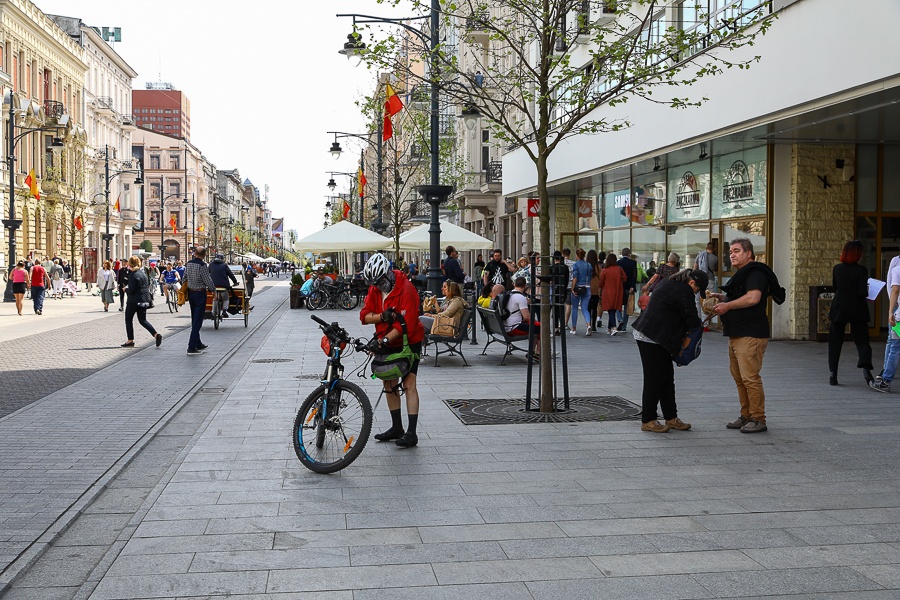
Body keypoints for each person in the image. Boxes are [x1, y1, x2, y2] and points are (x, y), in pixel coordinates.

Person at [711, 238, 777, 434]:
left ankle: (759, 418)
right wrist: (724, 298)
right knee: (739, 378)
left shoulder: (755, 272)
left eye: (737, 250)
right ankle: (746, 415)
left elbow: (753, 298)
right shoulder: (743, 274)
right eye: (731, 251)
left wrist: (728, 305)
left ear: (749, 253)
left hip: (751, 334)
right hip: (737, 333)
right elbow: (743, 296)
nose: (732, 254)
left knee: (750, 378)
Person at [359, 253, 424, 448]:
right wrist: (382, 317)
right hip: (386, 340)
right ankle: (397, 427)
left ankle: (411, 432)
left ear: (388, 274)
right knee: (388, 382)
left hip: (409, 340)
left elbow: (408, 325)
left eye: (380, 282)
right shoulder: (375, 289)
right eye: (374, 284)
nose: (378, 287)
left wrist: (384, 339)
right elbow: (364, 316)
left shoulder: (406, 288)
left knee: (409, 383)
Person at [632, 268, 708, 432]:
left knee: (666, 378)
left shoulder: (671, 281)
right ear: (692, 283)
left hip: (657, 336)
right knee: (654, 379)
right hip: (651, 337)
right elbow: (693, 321)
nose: (696, 293)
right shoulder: (683, 291)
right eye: (697, 289)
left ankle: (671, 417)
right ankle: (648, 420)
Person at [827, 239, 874, 386]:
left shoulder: (837, 268)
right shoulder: (861, 270)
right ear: (857, 255)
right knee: (862, 341)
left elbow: (835, 287)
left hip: (839, 308)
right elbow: (862, 292)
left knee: (835, 342)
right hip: (857, 309)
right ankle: (866, 369)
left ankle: (833, 374)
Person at [872, 255, 900, 393]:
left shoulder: (897, 269)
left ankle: (885, 381)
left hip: (899, 316)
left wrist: (890, 312)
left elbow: (894, 290)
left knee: (895, 347)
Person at [121, 256, 162, 349]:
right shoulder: (143, 273)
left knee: (128, 319)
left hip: (133, 301)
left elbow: (132, 289)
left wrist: (125, 289)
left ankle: (130, 340)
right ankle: (155, 334)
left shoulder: (133, 274)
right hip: (143, 300)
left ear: (129, 264)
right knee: (143, 320)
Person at [182, 246, 216, 355]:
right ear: (204, 255)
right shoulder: (202, 265)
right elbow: (207, 279)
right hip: (200, 293)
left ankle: (198, 343)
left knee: (194, 317)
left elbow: (184, 277)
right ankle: (191, 347)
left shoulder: (189, 264)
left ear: (195, 253)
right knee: (198, 319)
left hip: (191, 293)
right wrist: (213, 290)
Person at [597, 253, 626, 335]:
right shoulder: (619, 269)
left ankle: (614, 327)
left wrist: (599, 290)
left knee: (610, 310)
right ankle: (609, 328)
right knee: (613, 309)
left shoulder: (605, 270)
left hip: (608, 292)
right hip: (617, 291)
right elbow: (625, 278)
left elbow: (601, 282)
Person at [570, 248, 592, 336]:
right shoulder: (589, 265)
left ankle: (574, 328)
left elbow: (575, 277)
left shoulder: (575, 265)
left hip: (578, 287)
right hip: (587, 287)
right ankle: (588, 325)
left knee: (575, 308)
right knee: (585, 309)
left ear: (577, 255)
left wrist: (572, 288)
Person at [209, 253, 239, 318]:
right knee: (225, 299)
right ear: (222, 259)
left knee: (215, 299)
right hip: (223, 286)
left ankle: (213, 313)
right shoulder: (224, 265)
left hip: (213, 286)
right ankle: (224, 311)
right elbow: (231, 275)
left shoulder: (211, 265)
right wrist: (235, 282)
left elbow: (207, 274)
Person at [615, 247, 637, 332]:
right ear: (629, 254)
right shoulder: (633, 263)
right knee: (627, 307)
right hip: (629, 287)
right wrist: (632, 286)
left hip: (620, 287)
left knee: (618, 305)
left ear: (622, 253)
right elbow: (634, 276)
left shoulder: (618, 263)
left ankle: (619, 319)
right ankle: (624, 326)